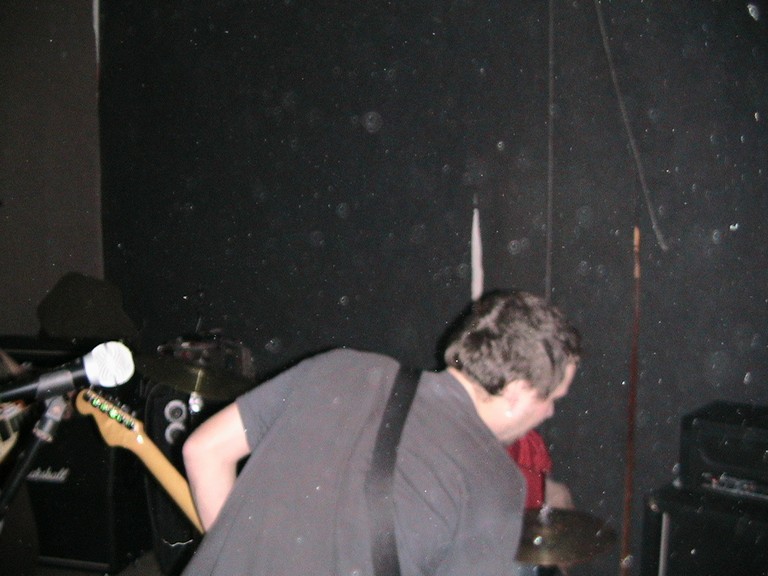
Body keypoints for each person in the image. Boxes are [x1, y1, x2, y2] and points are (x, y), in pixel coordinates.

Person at [180, 290, 581, 575]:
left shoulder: (339, 367)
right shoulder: (495, 484)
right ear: (517, 392)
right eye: (552, 398)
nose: (549, 412)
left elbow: (203, 451)